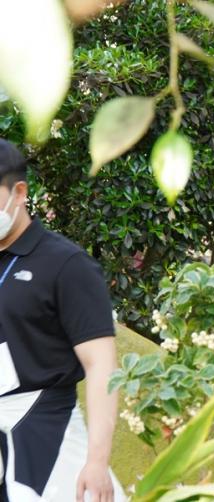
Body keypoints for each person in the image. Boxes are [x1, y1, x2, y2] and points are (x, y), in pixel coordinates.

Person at [0, 139, 124, 502]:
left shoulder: (67, 264)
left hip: (46, 433)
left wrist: (97, 461)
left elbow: (102, 365)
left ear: (19, 193)